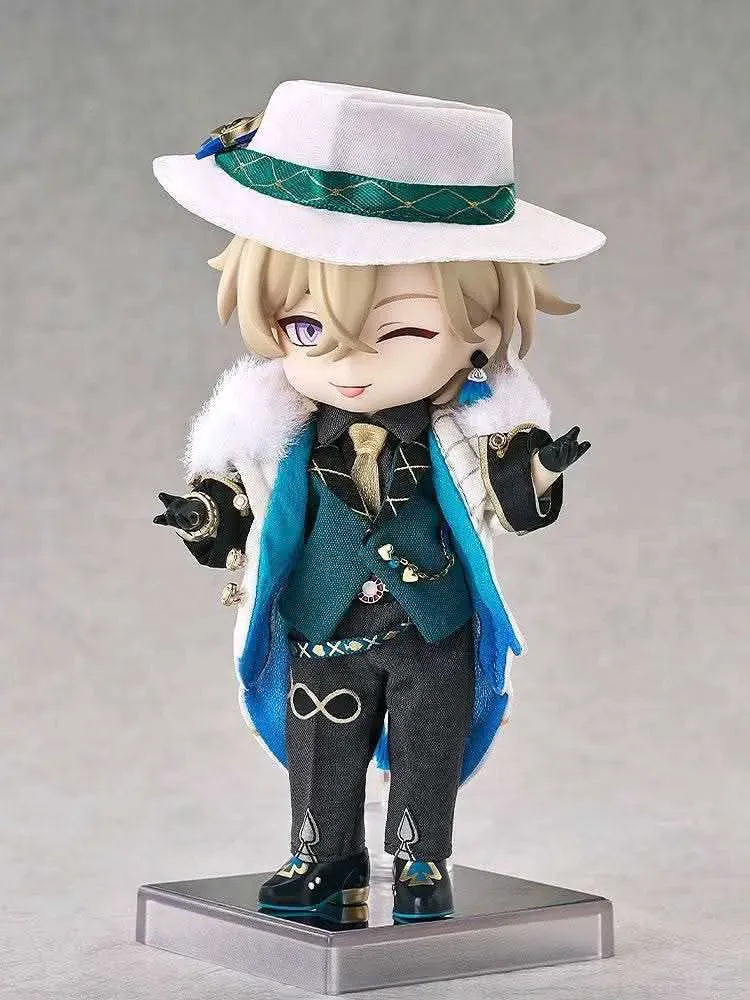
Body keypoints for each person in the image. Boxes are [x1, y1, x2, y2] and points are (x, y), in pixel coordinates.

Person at [151, 80, 604, 923]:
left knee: (429, 744)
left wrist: (537, 472)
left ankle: (422, 859)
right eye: (307, 330)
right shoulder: (277, 435)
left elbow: (507, 497)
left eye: (403, 331)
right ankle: (323, 857)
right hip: (321, 625)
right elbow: (240, 504)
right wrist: (205, 517)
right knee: (320, 743)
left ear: (479, 332)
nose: (348, 364)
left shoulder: (464, 433)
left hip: (432, 625)